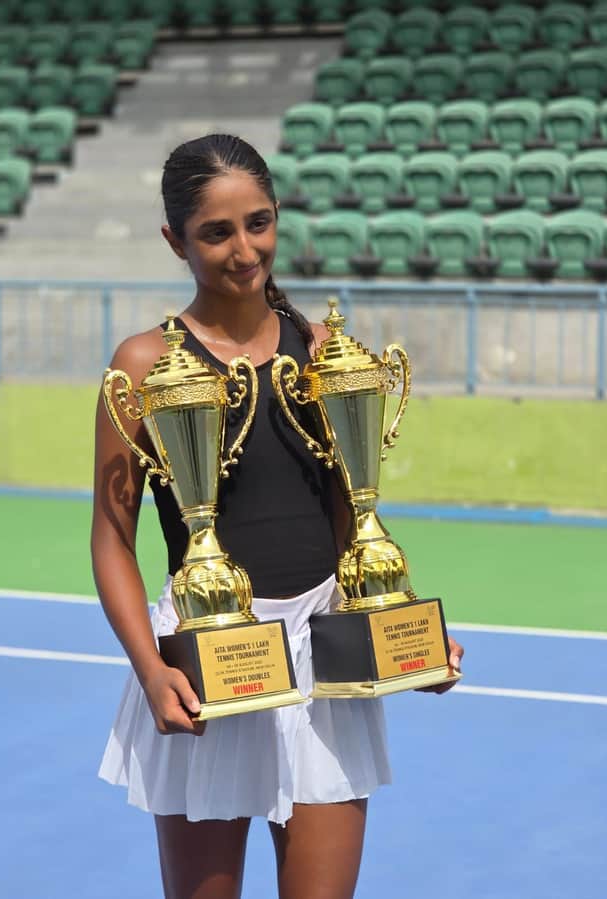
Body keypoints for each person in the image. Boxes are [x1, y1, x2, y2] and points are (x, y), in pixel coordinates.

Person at [92, 133, 464, 899]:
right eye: (216, 232)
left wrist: (405, 636)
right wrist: (152, 669)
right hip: (207, 663)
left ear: (278, 215)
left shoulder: (326, 352)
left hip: (324, 663)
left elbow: (353, 519)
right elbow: (112, 539)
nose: (244, 249)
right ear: (174, 240)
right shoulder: (142, 365)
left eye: (258, 223)